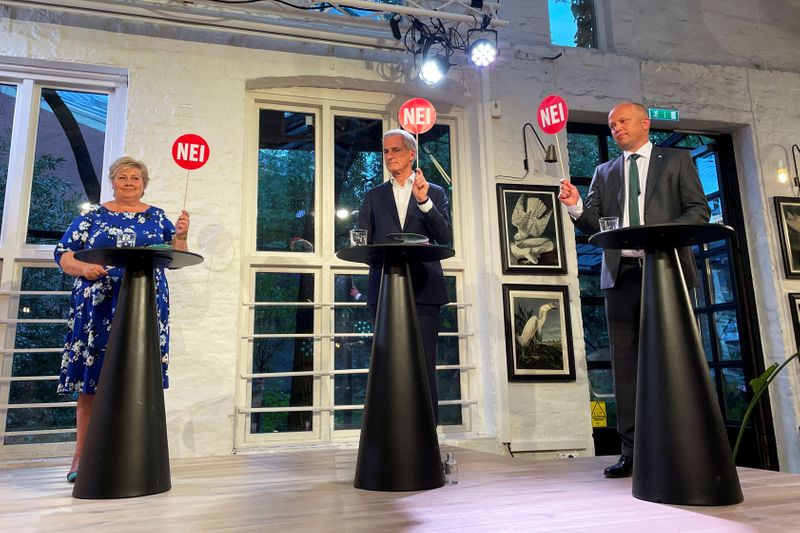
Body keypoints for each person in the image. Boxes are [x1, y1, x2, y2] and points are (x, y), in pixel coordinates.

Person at [558, 102, 710, 478]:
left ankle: (683, 448)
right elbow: (594, 225)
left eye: (622, 121)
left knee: (673, 359)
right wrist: (576, 206)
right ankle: (632, 452)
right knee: (625, 367)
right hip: (621, 276)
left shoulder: (676, 161)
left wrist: (660, 237)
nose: (616, 129)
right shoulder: (604, 171)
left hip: (667, 272)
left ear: (645, 123)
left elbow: (698, 212)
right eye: (610, 125)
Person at [54, 156, 190, 483]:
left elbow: (176, 257)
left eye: (135, 178)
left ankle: (134, 454)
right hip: (97, 304)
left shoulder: (157, 217)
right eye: (122, 177)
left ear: (144, 184)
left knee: (138, 379)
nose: (129, 183)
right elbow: (63, 254)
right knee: (92, 382)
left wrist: (182, 235)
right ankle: (81, 456)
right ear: (112, 181)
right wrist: (85, 269)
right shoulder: (93, 217)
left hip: (145, 302)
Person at [357, 128, 451, 421]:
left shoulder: (433, 192)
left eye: (396, 150)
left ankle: (427, 439)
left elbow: (444, 236)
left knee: (423, 365)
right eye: (385, 151)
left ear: (412, 154)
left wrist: (423, 202)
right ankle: (388, 435)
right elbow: (363, 242)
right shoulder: (373, 196)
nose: (389, 156)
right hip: (384, 289)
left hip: (424, 289)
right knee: (387, 366)